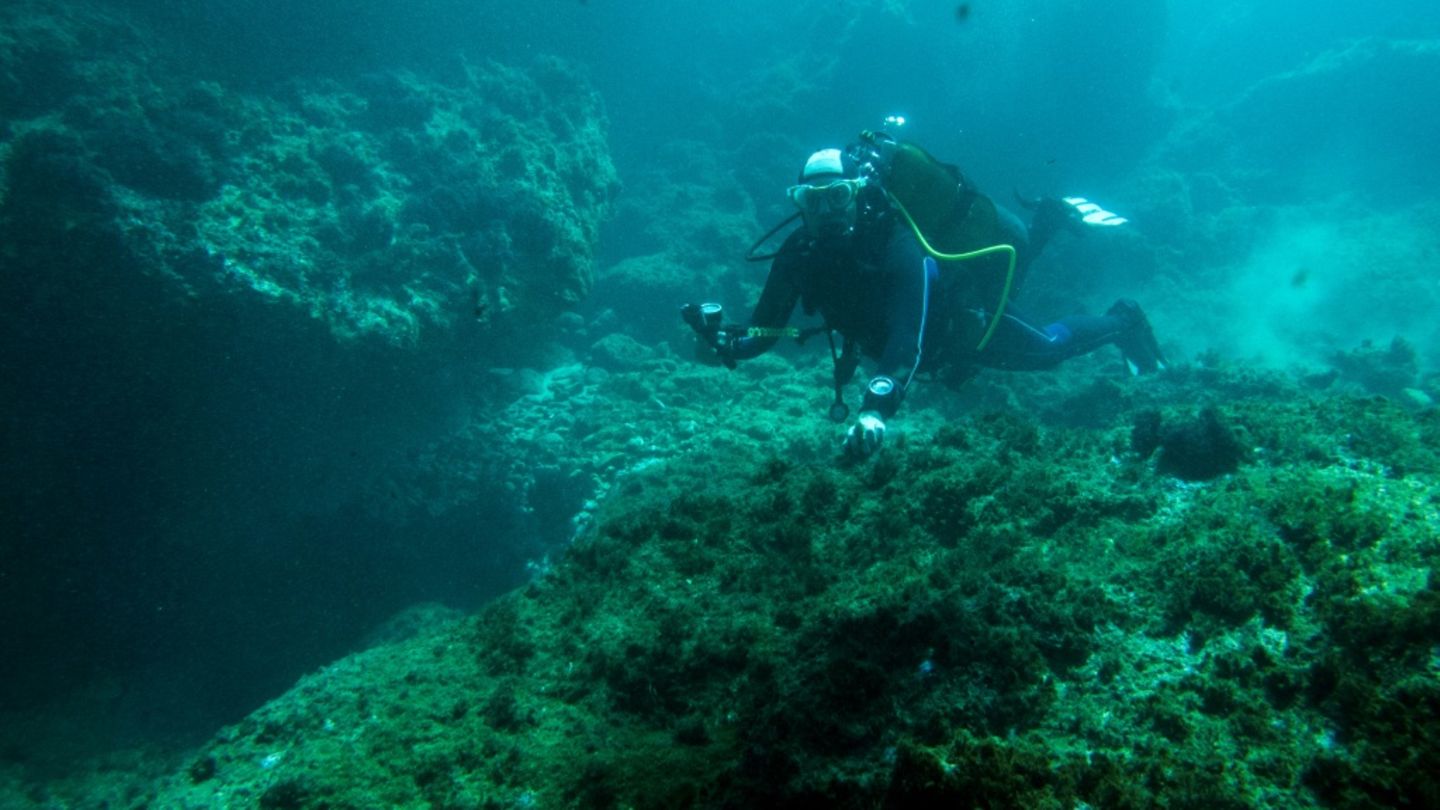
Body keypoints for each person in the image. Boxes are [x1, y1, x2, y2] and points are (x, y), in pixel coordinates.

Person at [682, 129, 1164, 458]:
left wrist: (874, 411)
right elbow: (766, 330)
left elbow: (907, 338)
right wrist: (727, 344)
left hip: (961, 323)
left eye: (838, 197)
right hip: (925, 347)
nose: (826, 211)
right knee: (1021, 298)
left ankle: (1125, 319)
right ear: (798, 203)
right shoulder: (798, 253)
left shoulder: (896, 244)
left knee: (1048, 351)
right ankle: (1047, 225)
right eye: (812, 200)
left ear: (857, 194)